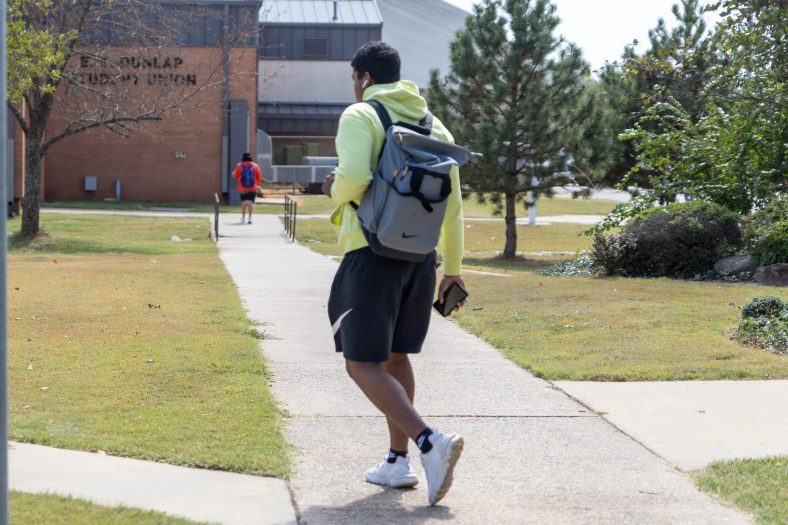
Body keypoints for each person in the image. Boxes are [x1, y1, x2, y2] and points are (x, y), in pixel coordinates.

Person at [322, 41, 467, 506]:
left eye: (354, 79)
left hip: (371, 253)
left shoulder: (360, 115)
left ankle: (430, 443)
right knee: (396, 357)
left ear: (363, 77)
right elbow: (454, 203)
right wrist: (454, 269)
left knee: (359, 361)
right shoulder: (433, 124)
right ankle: (396, 463)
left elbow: (355, 178)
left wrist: (331, 188)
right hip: (421, 259)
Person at [231, 152, 262, 224]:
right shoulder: (255, 166)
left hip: (242, 188)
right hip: (252, 187)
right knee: (250, 202)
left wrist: (233, 172)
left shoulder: (239, 165)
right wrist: (256, 184)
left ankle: (243, 217)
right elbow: (259, 177)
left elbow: (234, 176)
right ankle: (250, 218)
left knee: (244, 202)